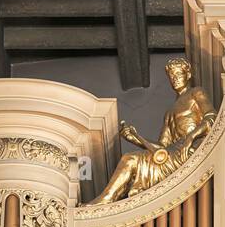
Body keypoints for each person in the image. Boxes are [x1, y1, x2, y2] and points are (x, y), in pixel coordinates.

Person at [92, 57, 216, 203]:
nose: (175, 79)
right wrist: (135, 138)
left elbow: (211, 117)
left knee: (131, 160)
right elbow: (161, 148)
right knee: (130, 159)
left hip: (190, 152)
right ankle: (106, 200)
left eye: (178, 74)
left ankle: (106, 201)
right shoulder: (169, 113)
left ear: (188, 75)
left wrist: (191, 137)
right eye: (172, 76)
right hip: (172, 155)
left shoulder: (196, 92)